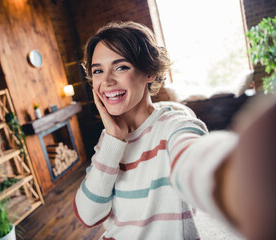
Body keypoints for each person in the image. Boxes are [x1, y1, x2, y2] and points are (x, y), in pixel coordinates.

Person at [73, 21, 276, 240]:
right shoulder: (108, 140)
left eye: (121, 67)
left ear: (149, 72)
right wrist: (113, 141)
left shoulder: (175, 125)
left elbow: (192, 159)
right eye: (97, 71)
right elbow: (88, 215)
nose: (107, 81)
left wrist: (236, 177)